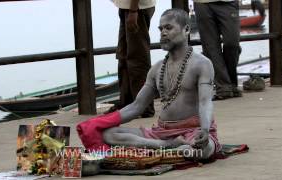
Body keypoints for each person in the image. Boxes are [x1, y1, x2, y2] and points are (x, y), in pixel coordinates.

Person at [77, 9, 221, 160]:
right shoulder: (157, 69)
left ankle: (170, 147)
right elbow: (136, 106)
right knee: (108, 134)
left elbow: (205, 102)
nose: (163, 33)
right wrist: (100, 122)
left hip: (193, 131)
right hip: (161, 133)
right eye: (161, 29)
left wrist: (204, 130)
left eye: (169, 28)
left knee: (202, 149)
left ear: (186, 29)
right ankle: (166, 146)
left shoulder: (202, 64)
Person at [104, 0, 155, 117]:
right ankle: (126, 103)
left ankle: (144, 107)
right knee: (124, 56)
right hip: (127, 7)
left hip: (136, 8)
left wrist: (133, 10)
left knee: (137, 58)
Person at [193, 0, 242, 100]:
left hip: (229, 2)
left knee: (232, 43)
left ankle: (231, 84)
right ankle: (223, 87)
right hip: (202, 3)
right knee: (211, 48)